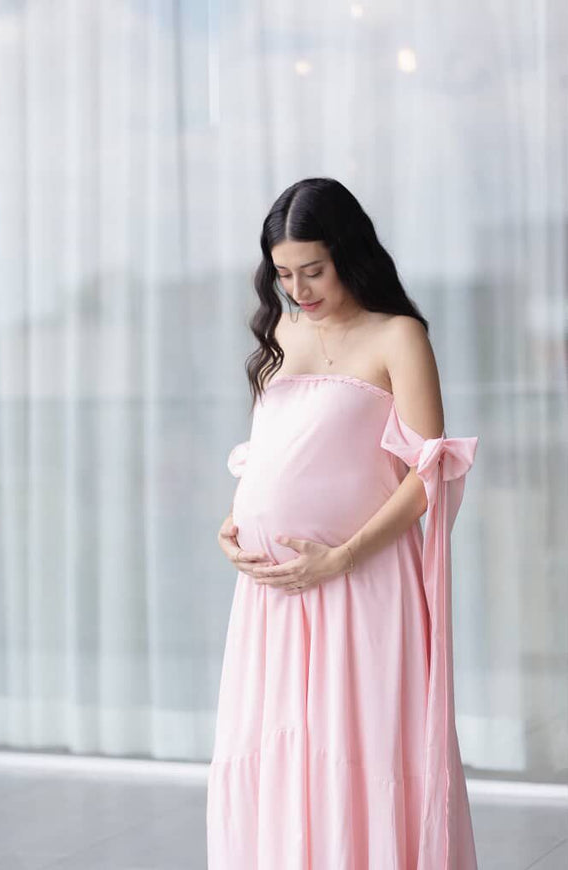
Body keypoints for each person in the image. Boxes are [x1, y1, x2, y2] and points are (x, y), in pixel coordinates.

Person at [206, 177, 479, 869]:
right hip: (271, 594)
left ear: (349, 255)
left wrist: (342, 556)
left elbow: (428, 474)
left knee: (355, 749)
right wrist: (235, 523)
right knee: (271, 750)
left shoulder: (397, 336)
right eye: (283, 273)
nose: (298, 288)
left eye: (313, 270)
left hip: (360, 583)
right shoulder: (282, 329)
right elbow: (276, 450)